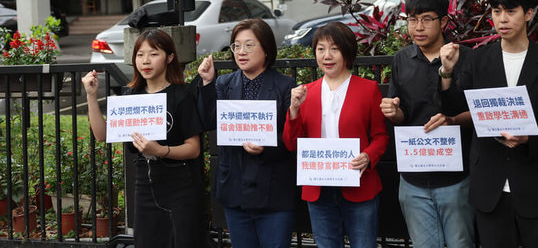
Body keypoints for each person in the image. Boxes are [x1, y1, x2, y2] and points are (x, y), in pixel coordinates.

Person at [440, 0, 538, 248]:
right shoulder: (478, 60)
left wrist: (529, 140)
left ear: (529, 13)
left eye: (511, 11)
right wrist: (446, 72)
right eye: (496, 11)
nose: (502, 18)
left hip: (537, 184)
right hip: (491, 186)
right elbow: (454, 108)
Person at [82, 29, 208, 248]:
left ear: (169, 57)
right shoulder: (131, 96)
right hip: (145, 185)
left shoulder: (182, 95)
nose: (145, 61)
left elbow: (194, 148)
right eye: (140, 55)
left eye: (153, 54)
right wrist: (92, 97)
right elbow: (102, 135)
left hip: (180, 187)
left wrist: (161, 150)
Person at [380, 0, 474, 248]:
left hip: (456, 177)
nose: (418, 27)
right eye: (412, 19)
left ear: (444, 21)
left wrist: (452, 120)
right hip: (414, 178)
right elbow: (401, 115)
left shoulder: (466, 58)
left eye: (426, 19)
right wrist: (393, 112)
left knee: (461, 243)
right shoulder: (402, 59)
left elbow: (480, 114)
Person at [282, 22, 389, 248]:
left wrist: (368, 156)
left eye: (334, 49)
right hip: (319, 189)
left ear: (347, 52)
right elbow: (292, 144)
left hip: (359, 184)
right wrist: (293, 110)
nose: (327, 56)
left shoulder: (368, 89)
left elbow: (381, 136)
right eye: (320, 49)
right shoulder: (305, 93)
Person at [196, 19, 298, 248]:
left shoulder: (285, 85)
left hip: (274, 191)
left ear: (266, 48)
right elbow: (208, 121)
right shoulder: (224, 83)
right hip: (236, 188)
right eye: (236, 46)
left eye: (249, 45)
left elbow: (293, 137)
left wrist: (267, 146)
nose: (241, 52)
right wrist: (207, 82)